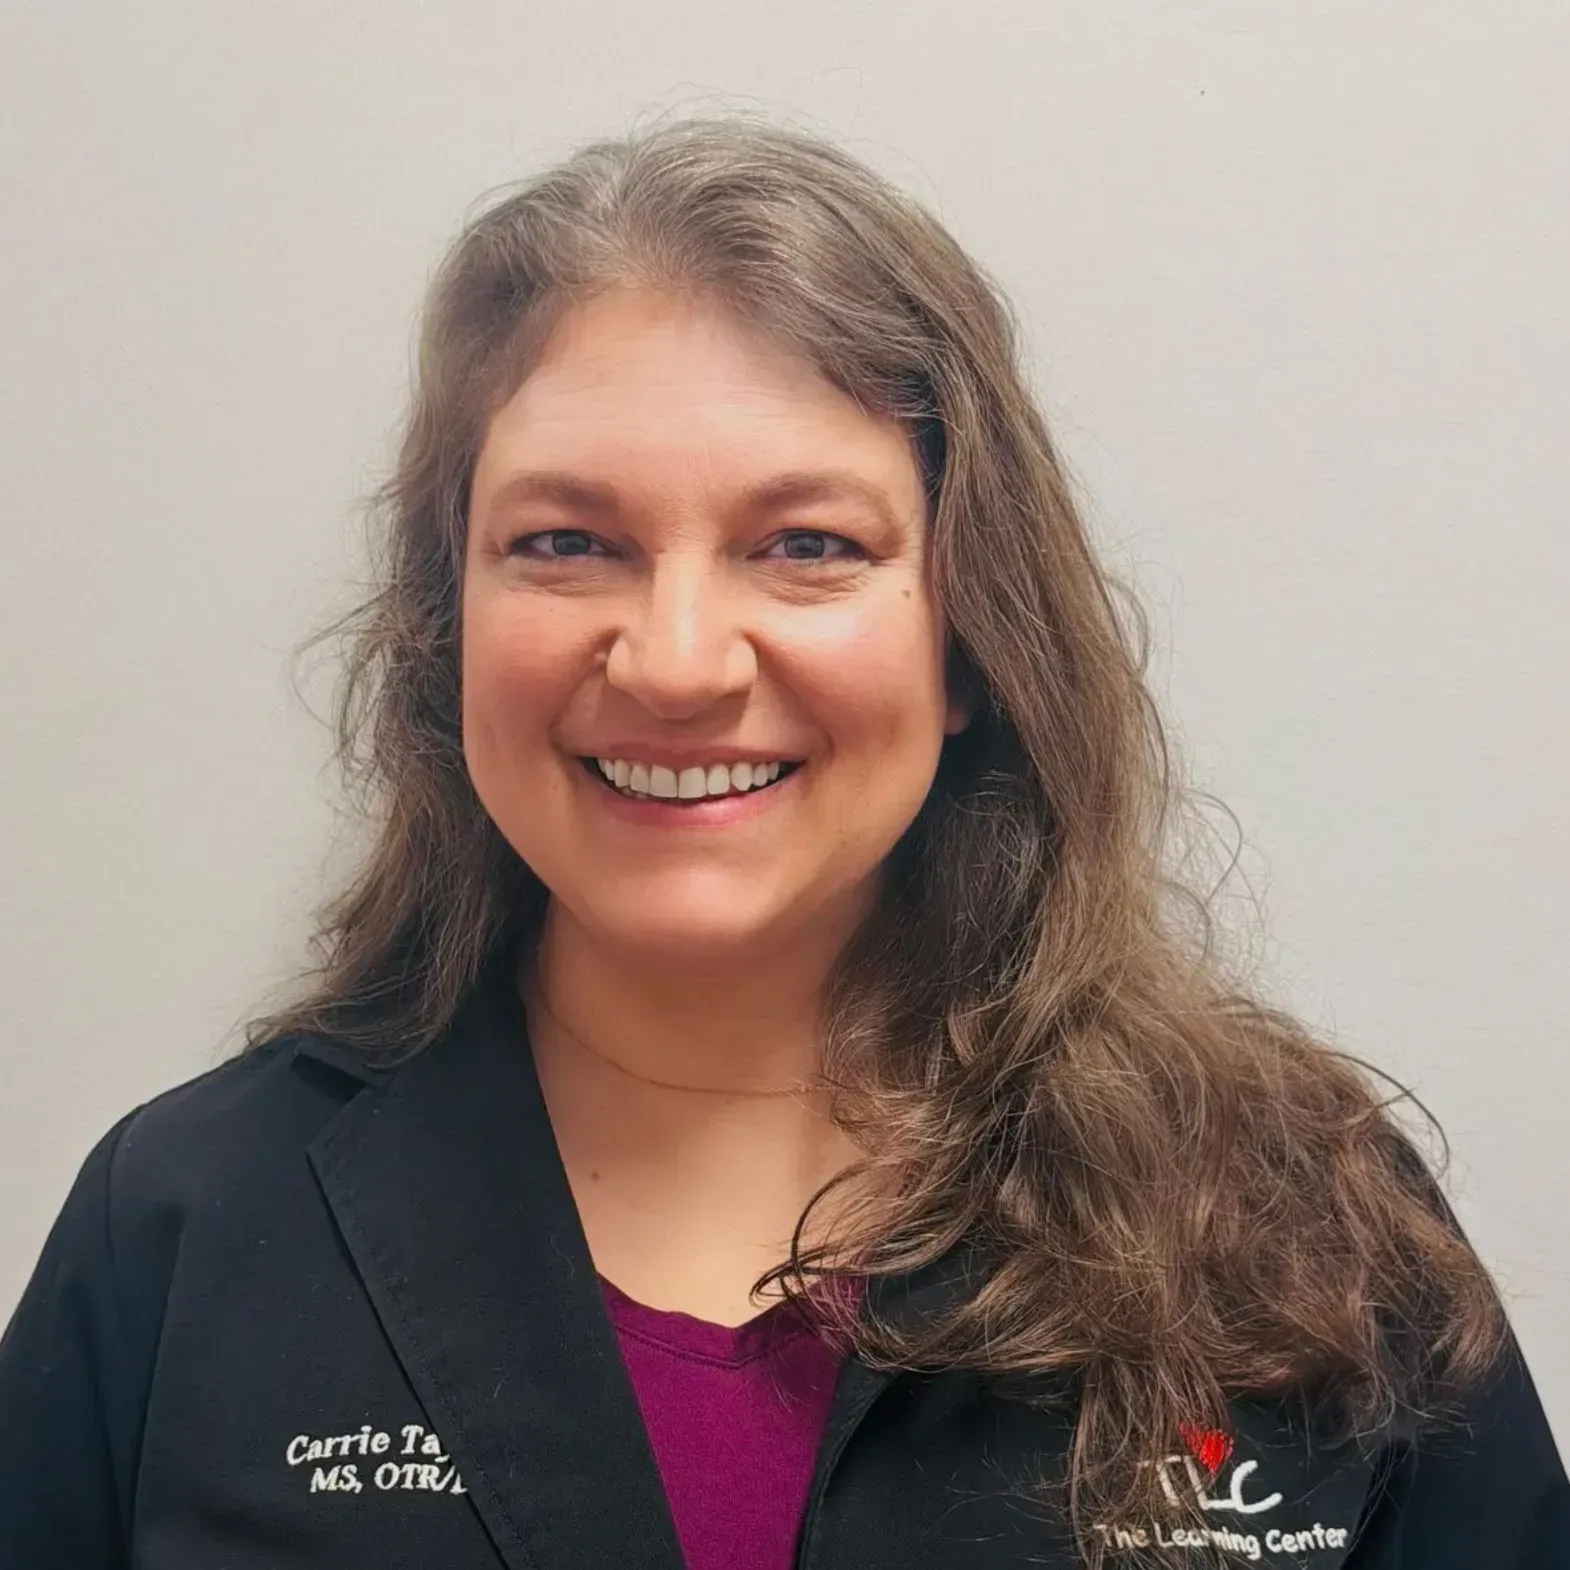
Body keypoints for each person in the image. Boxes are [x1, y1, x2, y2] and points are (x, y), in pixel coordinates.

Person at [0, 115, 1564, 1570]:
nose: (676, 658)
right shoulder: (185, 1223)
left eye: (806, 544)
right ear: (441, 626)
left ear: (968, 636)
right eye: (566, 542)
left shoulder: (1293, 1219)